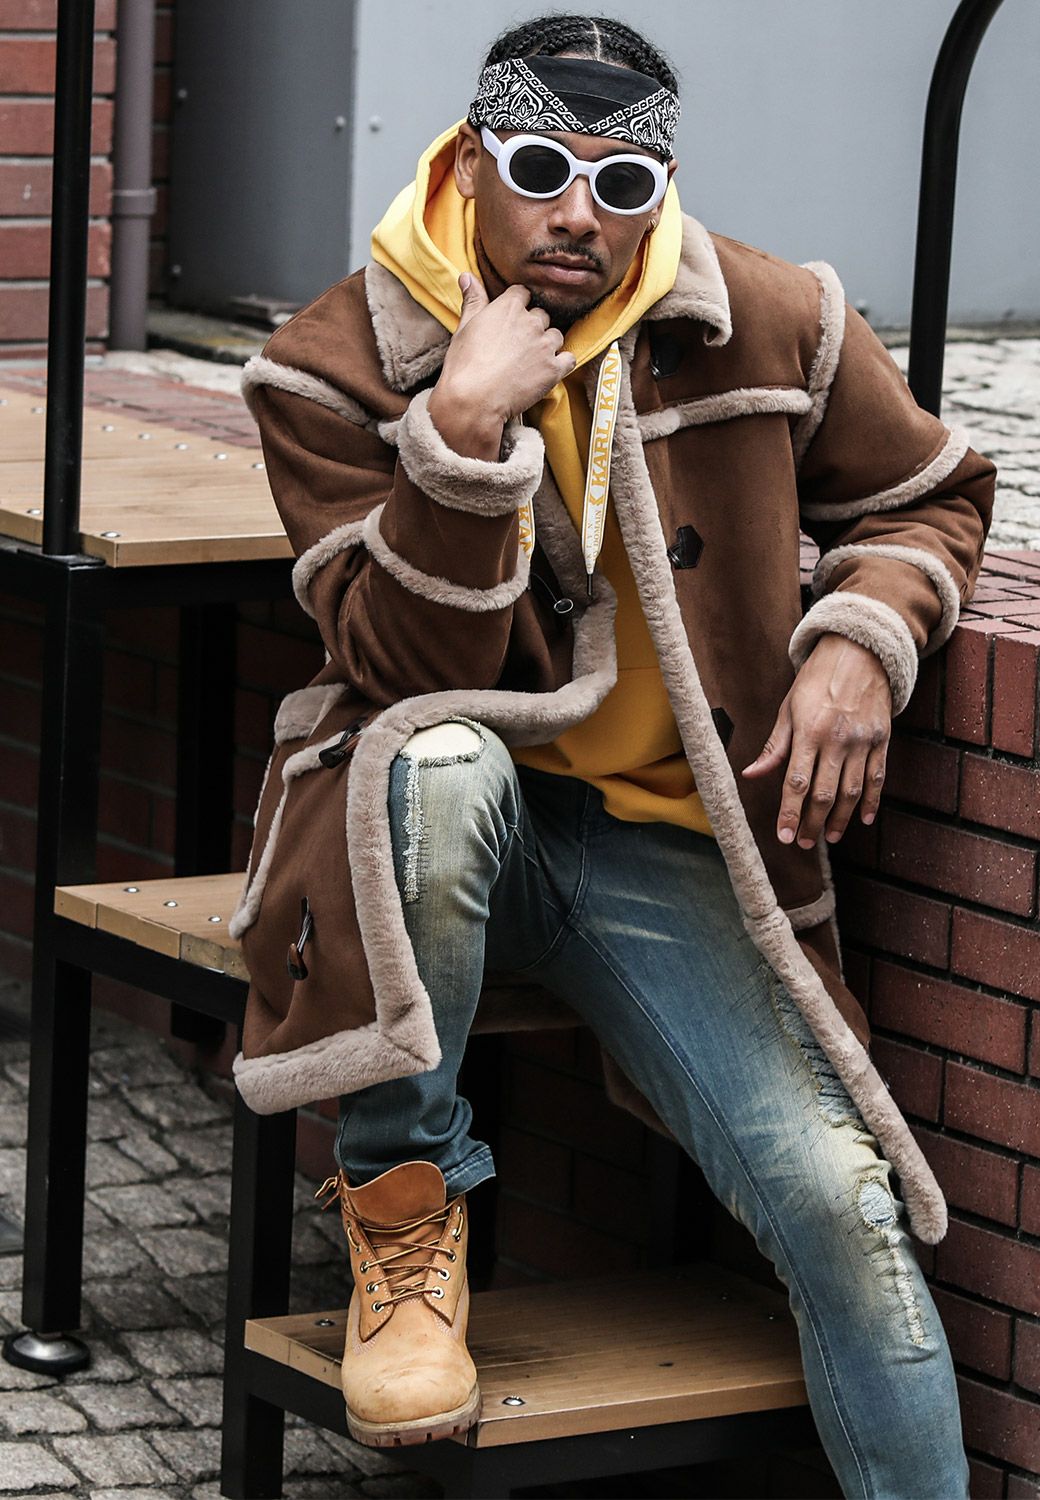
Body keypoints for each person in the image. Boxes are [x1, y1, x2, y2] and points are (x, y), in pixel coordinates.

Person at [230, 13, 995, 1494]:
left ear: (662, 192)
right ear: (470, 163)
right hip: (439, 824)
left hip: (670, 847)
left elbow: (932, 493)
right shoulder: (336, 365)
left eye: (624, 182)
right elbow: (403, 675)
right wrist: (461, 427)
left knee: (845, 1209)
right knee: (442, 760)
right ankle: (402, 1208)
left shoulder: (771, 320)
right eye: (540, 169)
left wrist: (862, 641)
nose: (579, 212)